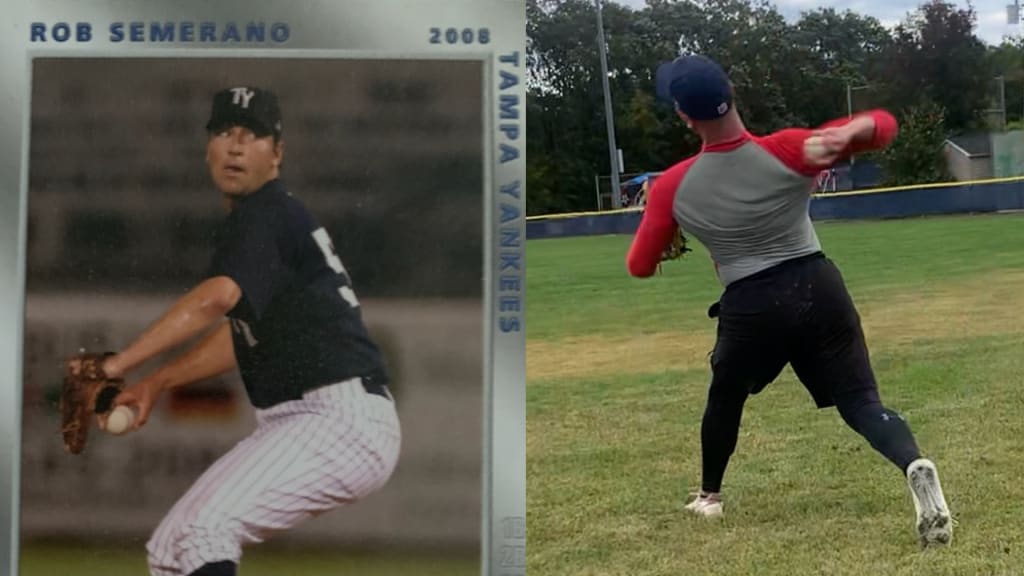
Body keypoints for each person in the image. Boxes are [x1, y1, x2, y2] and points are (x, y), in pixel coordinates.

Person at [626, 55, 952, 547]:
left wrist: (667, 219)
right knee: (861, 402)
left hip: (751, 302)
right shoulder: (789, 149)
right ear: (732, 93)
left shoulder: (671, 186)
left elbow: (639, 265)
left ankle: (709, 497)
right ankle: (914, 463)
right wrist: (856, 128)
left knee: (726, 397)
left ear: (683, 116)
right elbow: (883, 127)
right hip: (818, 283)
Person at [97, 86, 402, 575]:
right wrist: (156, 382)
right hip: (306, 419)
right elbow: (237, 333)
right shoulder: (266, 220)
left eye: (253, 135)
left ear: (276, 153)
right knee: (171, 550)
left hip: (337, 417)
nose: (236, 146)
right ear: (208, 149)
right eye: (224, 133)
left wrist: (116, 364)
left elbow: (215, 298)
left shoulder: (267, 213)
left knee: (205, 531)